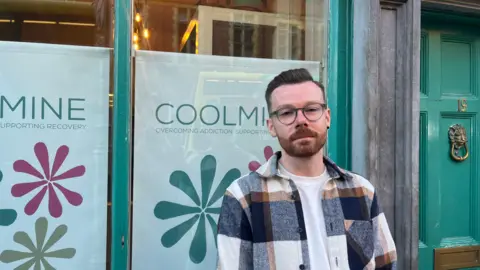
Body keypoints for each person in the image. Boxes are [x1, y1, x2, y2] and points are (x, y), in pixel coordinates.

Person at [216, 68, 397, 270]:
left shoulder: (362, 191)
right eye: (286, 113)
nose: (301, 120)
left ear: (327, 117)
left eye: (311, 109)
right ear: (271, 126)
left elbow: (385, 264)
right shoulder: (243, 196)